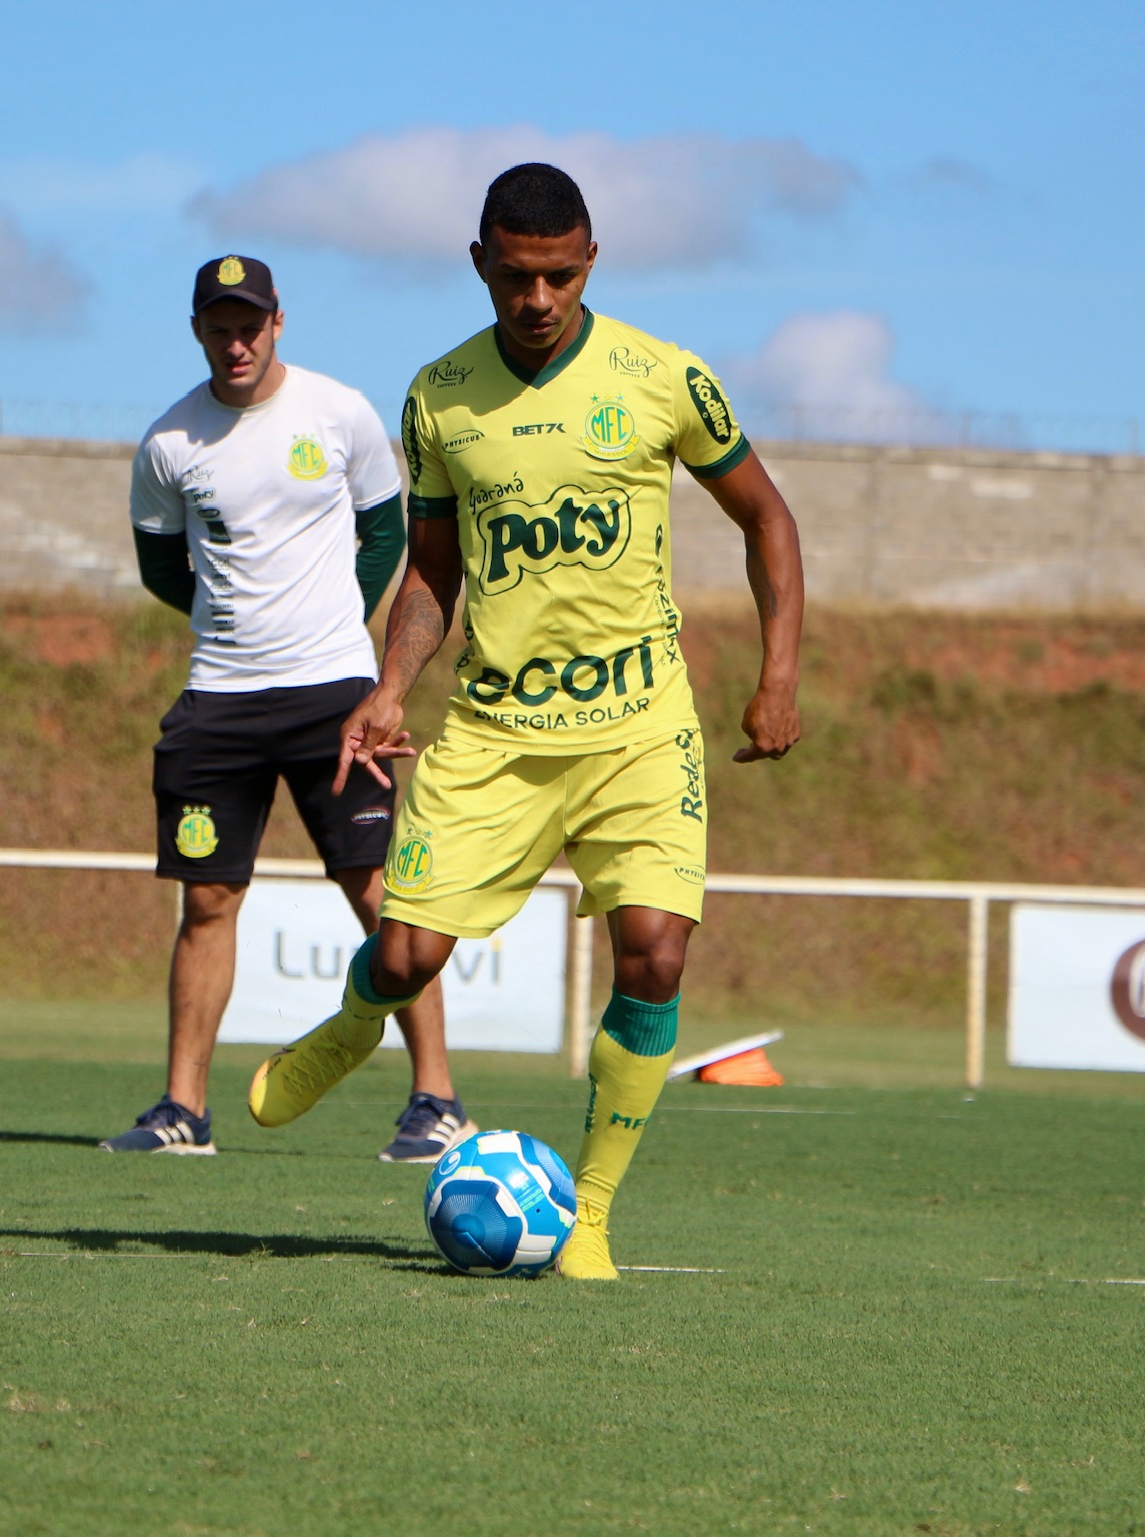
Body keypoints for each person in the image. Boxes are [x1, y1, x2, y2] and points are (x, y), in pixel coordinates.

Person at [245, 166, 805, 1278]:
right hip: (496, 734)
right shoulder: (438, 396)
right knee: (404, 955)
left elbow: (766, 516)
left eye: (557, 275)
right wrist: (389, 683)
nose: (537, 297)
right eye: (515, 276)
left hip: (641, 729)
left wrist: (778, 673)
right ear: (481, 266)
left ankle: (589, 1213)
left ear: (589, 262)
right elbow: (431, 573)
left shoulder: (664, 377)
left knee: (652, 957)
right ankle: (357, 1025)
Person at [100, 253, 472, 1164]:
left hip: (336, 694)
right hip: (219, 699)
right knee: (208, 900)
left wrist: (335, 618)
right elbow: (159, 567)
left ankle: (436, 1102)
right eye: (218, 326)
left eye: (250, 323)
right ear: (197, 331)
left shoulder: (337, 411)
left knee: (384, 893)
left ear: (278, 322)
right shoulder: (167, 444)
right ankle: (184, 1110)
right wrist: (231, 622)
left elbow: (386, 529)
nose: (236, 341)